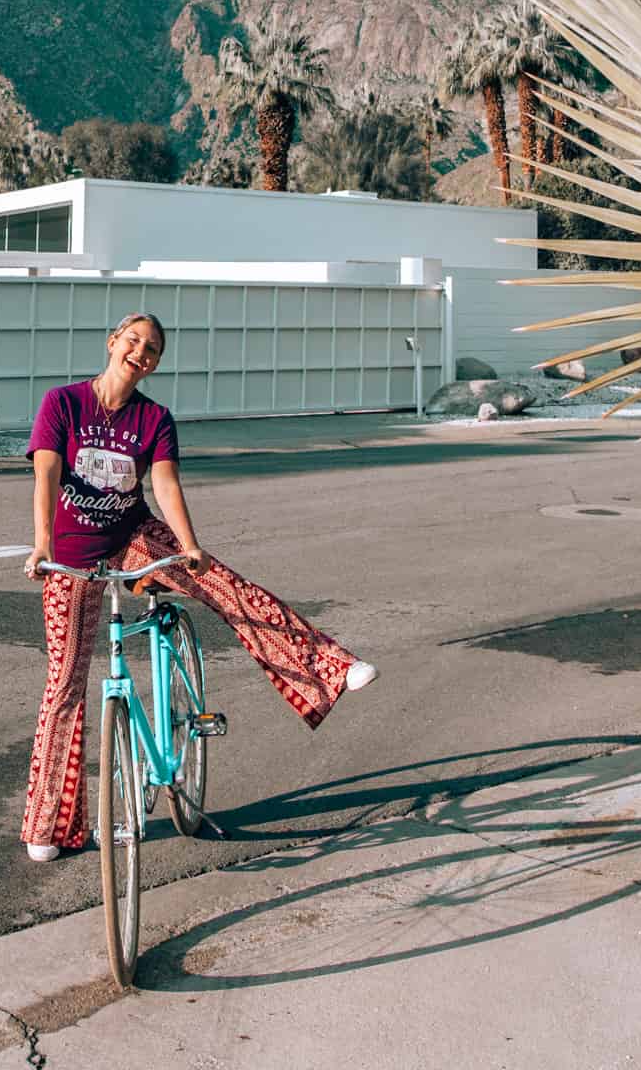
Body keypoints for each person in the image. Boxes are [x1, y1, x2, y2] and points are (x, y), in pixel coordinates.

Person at [20, 310, 377, 861]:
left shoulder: (154, 418)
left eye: (153, 349)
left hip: (131, 536)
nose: (141, 352)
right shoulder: (63, 403)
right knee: (64, 683)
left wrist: (189, 546)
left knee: (221, 582)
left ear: (155, 363)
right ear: (112, 341)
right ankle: (51, 827)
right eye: (133, 341)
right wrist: (41, 545)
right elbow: (46, 472)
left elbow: (164, 482)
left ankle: (329, 665)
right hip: (68, 556)